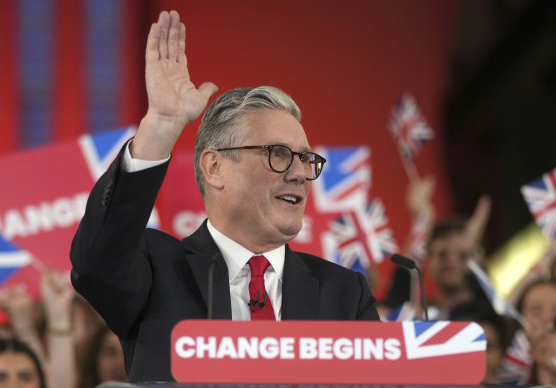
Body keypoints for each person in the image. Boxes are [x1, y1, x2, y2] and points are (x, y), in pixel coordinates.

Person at [70, 10, 379, 383]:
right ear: (215, 168)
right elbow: (95, 261)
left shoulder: (345, 294)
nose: (299, 173)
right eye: (278, 154)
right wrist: (161, 127)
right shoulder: (157, 271)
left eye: (306, 158)